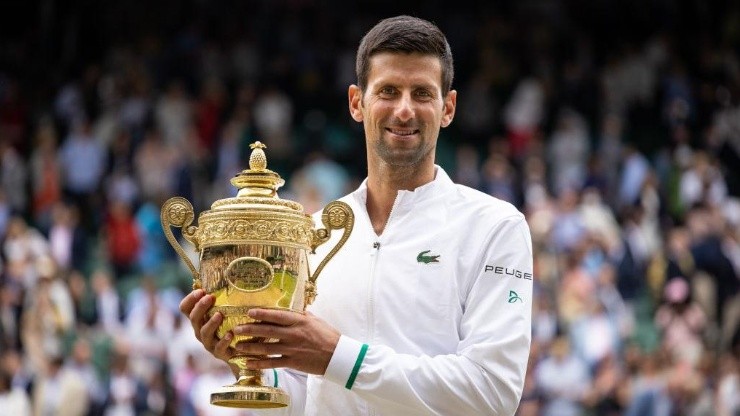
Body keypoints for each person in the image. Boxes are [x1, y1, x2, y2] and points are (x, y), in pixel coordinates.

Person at [180, 15, 533, 415]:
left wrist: (337, 357)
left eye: (422, 93)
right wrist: (248, 364)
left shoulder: (495, 227)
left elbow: (492, 392)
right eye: (388, 91)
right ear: (356, 103)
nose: (404, 110)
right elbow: (305, 392)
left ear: (447, 108)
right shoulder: (311, 234)